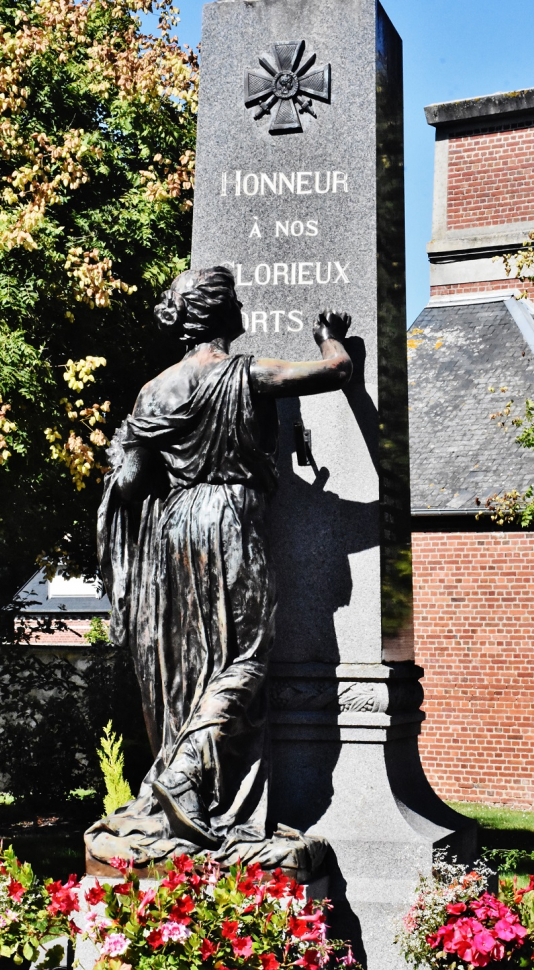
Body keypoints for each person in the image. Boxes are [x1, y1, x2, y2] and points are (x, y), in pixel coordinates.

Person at [85, 266, 351, 874]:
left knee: (191, 664)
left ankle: (188, 778)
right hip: (230, 519)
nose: (241, 309)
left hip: (177, 530)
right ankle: (184, 777)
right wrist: (329, 334)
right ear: (222, 315)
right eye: (234, 301)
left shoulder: (154, 392)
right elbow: (337, 372)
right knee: (244, 657)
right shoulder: (244, 374)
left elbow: (127, 483)